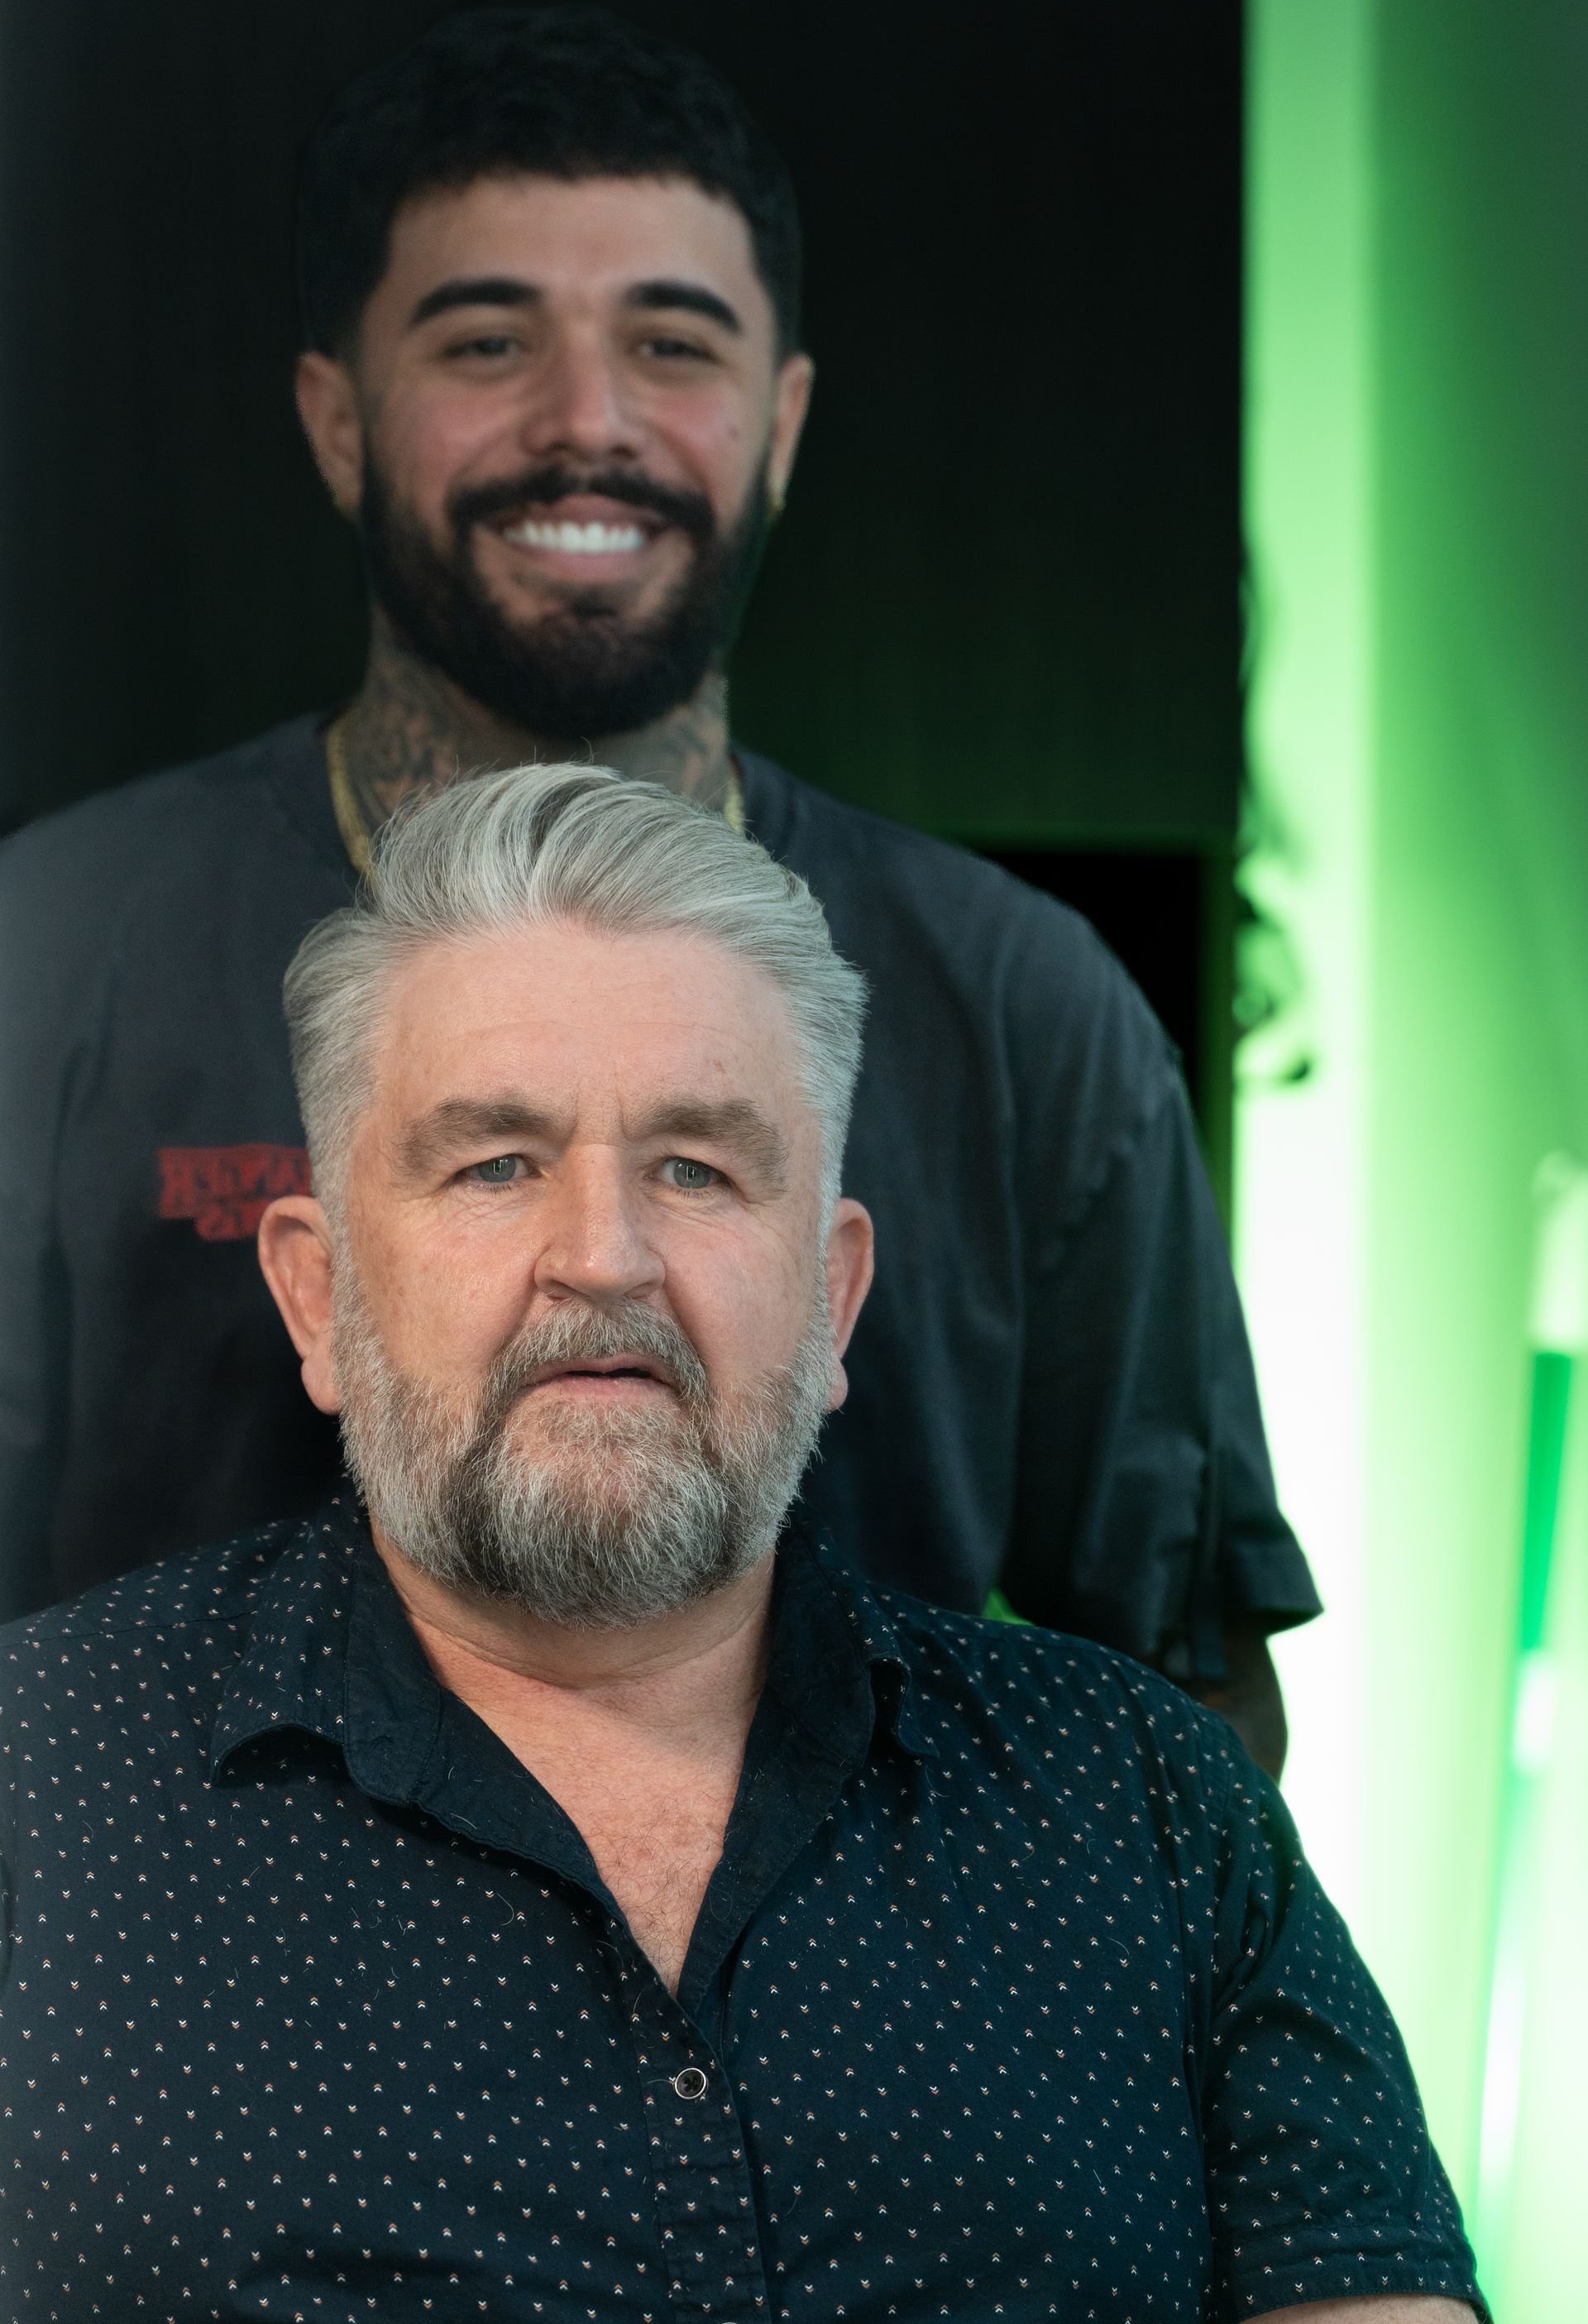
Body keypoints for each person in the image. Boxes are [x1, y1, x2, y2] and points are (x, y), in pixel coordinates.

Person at [0, 5, 1318, 1770]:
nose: (589, 424)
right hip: (182, 2022)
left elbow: (1191, 1714)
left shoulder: (1025, 1017)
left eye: (673, 344)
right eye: (486, 341)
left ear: (779, 424)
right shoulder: (49, 961)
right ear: (337, 419)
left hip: (833, 2043)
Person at [0, 768, 1482, 2320]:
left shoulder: (1161, 1822)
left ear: (833, 1299)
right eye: (495, 1164)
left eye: (697, 1169)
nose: (605, 1257)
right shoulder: (41, 1795)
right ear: (316, 1293)